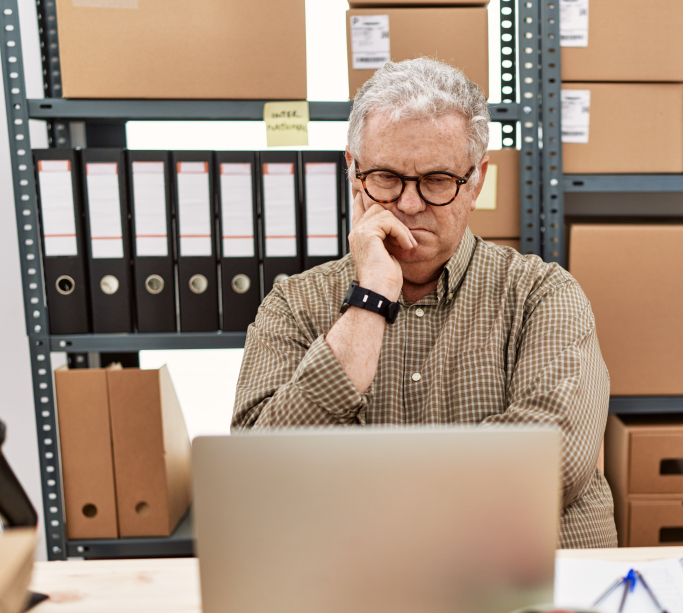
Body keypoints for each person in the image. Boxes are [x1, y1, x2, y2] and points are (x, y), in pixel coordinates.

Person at [232, 57, 616, 548]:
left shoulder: (543, 295)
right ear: (353, 171)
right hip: (358, 595)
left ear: (476, 180)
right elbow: (255, 476)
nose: (409, 205)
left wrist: (351, 493)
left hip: (527, 594)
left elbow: (550, 462)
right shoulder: (292, 304)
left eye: (437, 179)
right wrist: (369, 302)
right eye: (386, 177)